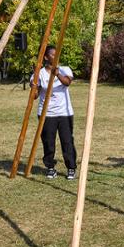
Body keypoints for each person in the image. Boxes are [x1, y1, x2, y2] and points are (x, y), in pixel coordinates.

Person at [34, 44, 77, 180]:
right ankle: (50, 168)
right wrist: (34, 87)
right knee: (48, 141)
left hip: (64, 112)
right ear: (46, 57)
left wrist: (57, 73)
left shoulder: (65, 69)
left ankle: (71, 168)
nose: (55, 56)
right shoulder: (39, 73)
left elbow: (67, 82)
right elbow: (35, 95)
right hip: (47, 114)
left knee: (67, 141)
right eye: (52, 54)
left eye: (57, 54)